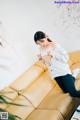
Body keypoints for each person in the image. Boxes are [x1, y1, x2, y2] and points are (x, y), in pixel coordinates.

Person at [34, 31, 80, 97]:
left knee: (73, 93)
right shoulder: (40, 49)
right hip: (55, 74)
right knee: (65, 91)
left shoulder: (55, 45)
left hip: (63, 71)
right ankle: (74, 75)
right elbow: (47, 63)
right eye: (38, 43)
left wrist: (53, 54)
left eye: (42, 41)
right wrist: (41, 59)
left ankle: (73, 74)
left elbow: (66, 58)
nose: (41, 44)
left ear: (46, 37)